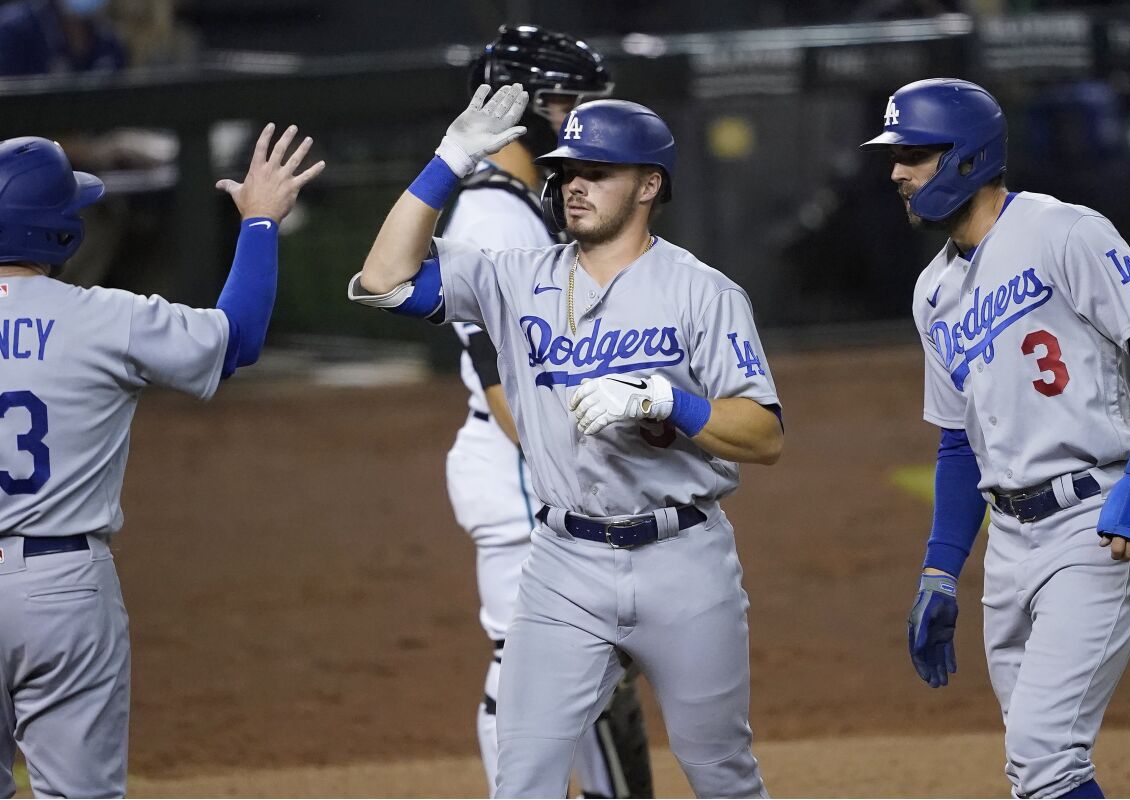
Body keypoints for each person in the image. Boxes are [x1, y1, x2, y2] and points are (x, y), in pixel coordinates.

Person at [348, 85, 782, 798]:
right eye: (566, 171)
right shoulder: (512, 277)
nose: (573, 185)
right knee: (524, 779)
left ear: (649, 184)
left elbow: (764, 435)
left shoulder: (705, 293)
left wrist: (670, 400)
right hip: (563, 568)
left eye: (597, 172)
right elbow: (383, 279)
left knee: (721, 773)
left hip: (685, 561)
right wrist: (450, 159)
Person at [861, 78, 1130, 799]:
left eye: (913, 155)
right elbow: (958, 443)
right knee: (1036, 769)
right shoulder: (932, 292)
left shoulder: (1061, 230)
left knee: (1044, 758)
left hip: (1098, 522)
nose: (896, 173)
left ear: (968, 158)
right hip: (1011, 545)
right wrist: (939, 571)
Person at [0, 126, 323, 797]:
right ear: (61, 232)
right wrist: (260, 222)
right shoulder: (106, 319)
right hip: (61, 589)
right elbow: (236, 339)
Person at [437, 24, 653, 799]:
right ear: (522, 105)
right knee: (544, 666)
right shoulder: (494, 215)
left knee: (581, 663)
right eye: (566, 101)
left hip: (527, 460)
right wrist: (560, 463)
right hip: (521, 464)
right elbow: (493, 366)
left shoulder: (520, 206)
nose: (577, 118)